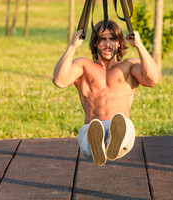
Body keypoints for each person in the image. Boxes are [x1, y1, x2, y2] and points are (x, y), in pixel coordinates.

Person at [53, 20, 160, 166]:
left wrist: (139, 46)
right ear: (95, 43)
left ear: (119, 43)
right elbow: (60, 81)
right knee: (91, 131)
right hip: (91, 128)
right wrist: (72, 46)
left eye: (112, 39)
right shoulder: (84, 65)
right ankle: (98, 146)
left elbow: (152, 80)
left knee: (124, 124)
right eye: (103, 39)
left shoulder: (129, 66)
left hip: (121, 127)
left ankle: (114, 140)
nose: (107, 44)